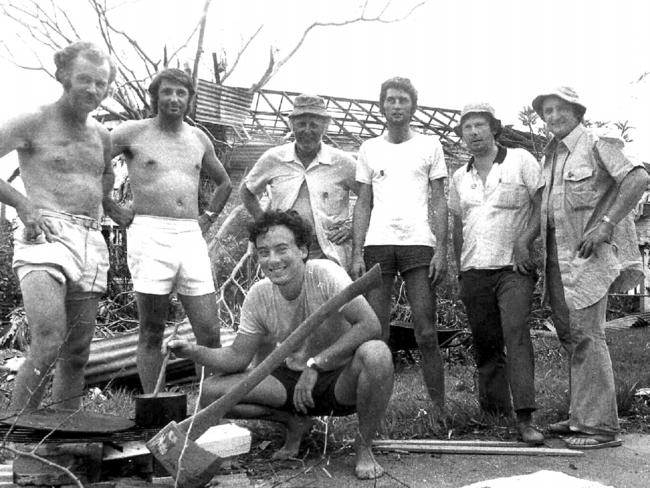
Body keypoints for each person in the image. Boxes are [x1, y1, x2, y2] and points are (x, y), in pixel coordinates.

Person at [167, 210, 393, 480]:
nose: (272, 260)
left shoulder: (326, 274)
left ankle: (363, 446)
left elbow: (370, 325)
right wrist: (193, 351)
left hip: (339, 381)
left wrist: (317, 364)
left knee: (377, 353)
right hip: (289, 383)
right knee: (212, 390)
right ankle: (294, 422)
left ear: (303, 250)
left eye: (281, 249)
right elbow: (237, 357)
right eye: (263, 252)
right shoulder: (259, 295)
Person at [0, 41, 132, 411]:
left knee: (77, 352)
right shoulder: (32, 119)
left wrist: (115, 209)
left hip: (90, 237)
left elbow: (103, 177)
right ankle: (22, 442)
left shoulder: (102, 135)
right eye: (84, 79)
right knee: (48, 341)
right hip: (44, 234)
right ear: (63, 76)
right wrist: (23, 204)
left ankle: (64, 439)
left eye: (101, 83)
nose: (92, 89)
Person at [532, 86, 649, 449]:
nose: (552, 116)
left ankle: (601, 428)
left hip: (588, 258)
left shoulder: (597, 143)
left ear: (576, 111)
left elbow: (638, 178)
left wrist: (607, 224)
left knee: (588, 335)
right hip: (558, 260)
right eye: (547, 111)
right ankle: (582, 416)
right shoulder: (551, 155)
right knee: (571, 336)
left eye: (559, 109)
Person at [111, 68, 231, 392]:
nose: (174, 98)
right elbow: (92, 165)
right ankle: (155, 403)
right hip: (149, 233)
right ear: (155, 97)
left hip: (190, 235)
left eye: (181, 93)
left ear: (190, 99)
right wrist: (112, 209)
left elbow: (224, 183)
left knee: (209, 330)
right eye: (167, 92)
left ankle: (210, 405)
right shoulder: (132, 133)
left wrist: (206, 219)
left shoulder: (198, 138)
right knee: (152, 329)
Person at [450, 103, 544, 444]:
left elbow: (541, 205)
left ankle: (526, 418)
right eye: (467, 128)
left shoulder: (521, 160)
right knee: (486, 342)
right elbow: (459, 225)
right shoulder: (460, 177)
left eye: (479, 125)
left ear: (493, 129)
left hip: (513, 268)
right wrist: (460, 267)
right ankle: (493, 414)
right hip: (475, 269)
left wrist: (526, 241)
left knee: (515, 333)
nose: (473, 132)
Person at [351, 77, 447, 411]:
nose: (396, 106)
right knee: (378, 335)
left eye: (402, 100)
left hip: (418, 245)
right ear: (382, 106)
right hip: (378, 245)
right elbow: (363, 203)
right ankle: (377, 411)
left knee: (426, 332)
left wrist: (442, 249)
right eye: (390, 100)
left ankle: (439, 410)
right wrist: (356, 252)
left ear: (412, 106)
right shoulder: (369, 149)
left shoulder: (430, 146)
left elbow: (439, 201)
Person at [240, 94, 358, 272]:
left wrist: (351, 227)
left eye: (314, 125)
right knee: (287, 297)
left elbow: (369, 197)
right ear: (291, 125)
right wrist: (264, 222)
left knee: (329, 295)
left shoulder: (342, 162)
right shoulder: (274, 158)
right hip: (284, 252)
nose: (307, 131)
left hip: (329, 250)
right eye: (301, 124)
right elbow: (247, 190)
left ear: (325, 127)